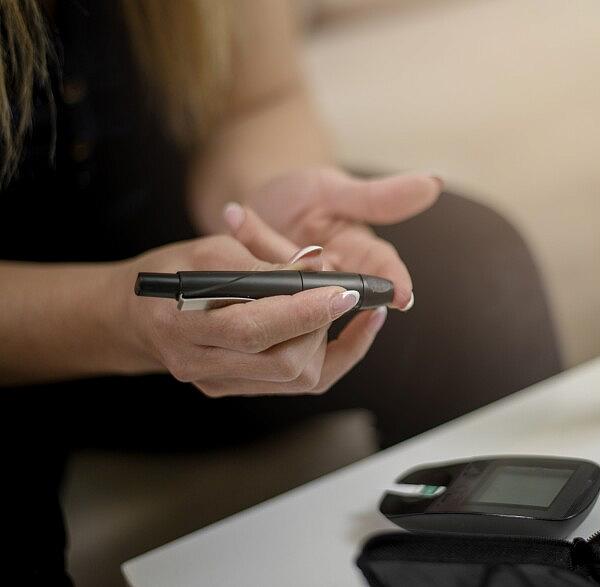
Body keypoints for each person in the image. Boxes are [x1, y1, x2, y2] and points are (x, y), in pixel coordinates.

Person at [0, 1, 561, 584]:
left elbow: (261, 103)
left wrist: (266, 200)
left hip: (176, 257)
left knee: (473, 264)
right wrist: (115, 315)